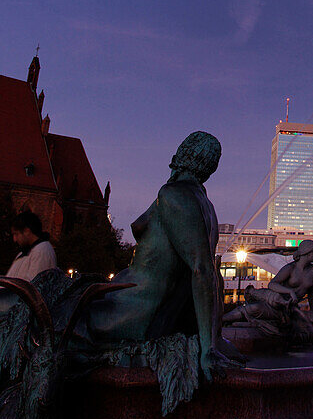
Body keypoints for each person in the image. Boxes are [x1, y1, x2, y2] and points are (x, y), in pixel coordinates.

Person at [83, 131, 228, 381]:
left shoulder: (174, 195)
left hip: (131, 309)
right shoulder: (204, 204)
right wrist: (213, 339)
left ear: (183, 155)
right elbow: (211, 274)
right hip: (129, 299)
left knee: (30, 309)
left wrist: (209, 349)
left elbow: (202, 270)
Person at [6, 211, 57, 280]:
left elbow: (33, 285)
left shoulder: (42, 251)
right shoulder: (23, 253)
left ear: (27, 231)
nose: (14, 239)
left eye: (16, 234)